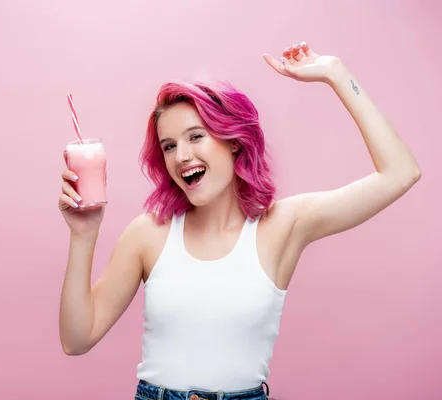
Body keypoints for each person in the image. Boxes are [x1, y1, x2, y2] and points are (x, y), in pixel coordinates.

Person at [57, 41, 421, 400]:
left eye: (196, 137)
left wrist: (335, 74)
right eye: (169, 146)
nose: (181, 156)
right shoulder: (150, 232)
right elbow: (77, 339)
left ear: (233, 141)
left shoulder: (283, 225)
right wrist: (83, 234)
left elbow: (400, 173)